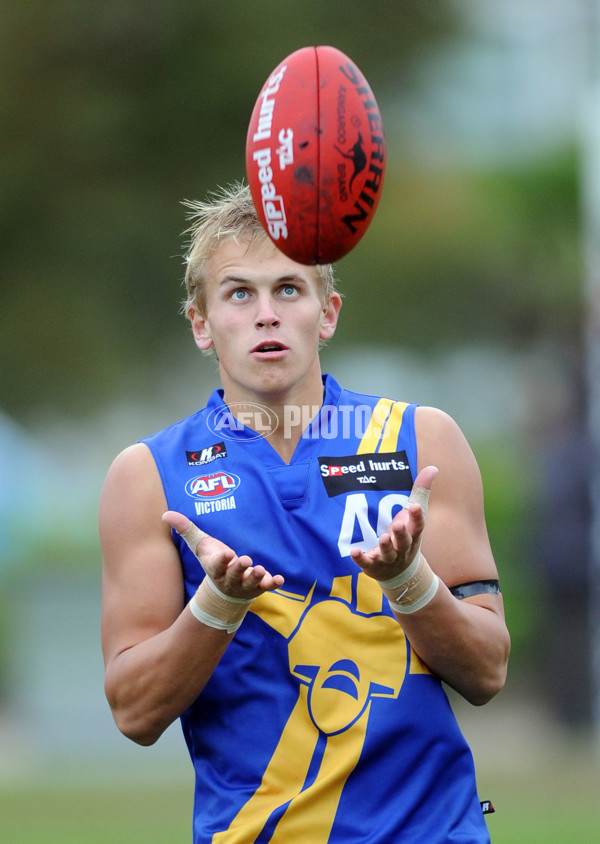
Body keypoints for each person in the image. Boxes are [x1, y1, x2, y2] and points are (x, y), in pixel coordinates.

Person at [100, 182, 510, 843]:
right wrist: (217, 605)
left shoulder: (421, 441)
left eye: (288, 289)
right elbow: (134, 711)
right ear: (202, 323)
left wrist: (409, 581)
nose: (267, 314)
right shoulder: (149, 477)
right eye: (239, 293)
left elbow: (487, 671)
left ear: (328, 312)